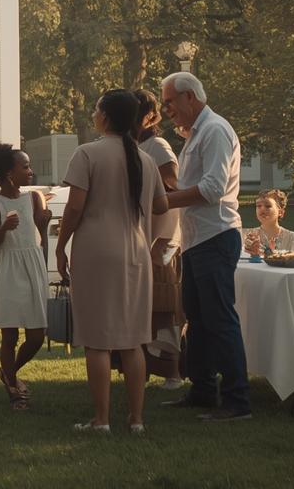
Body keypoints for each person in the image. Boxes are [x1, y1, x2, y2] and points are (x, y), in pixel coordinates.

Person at [57, 90, 168, 434]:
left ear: (105, 116)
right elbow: (162, 205)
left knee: (97, 339)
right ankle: (136, 419)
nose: (93, 114)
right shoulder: (145, 159)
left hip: (96, 251)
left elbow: (75, 206)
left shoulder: (87, 153)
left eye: (96, 109)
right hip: (136, 252)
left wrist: (60, 245)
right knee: (133, 339)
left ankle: (101, 419)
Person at [160, 71, 250, 422]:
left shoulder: (214, 130)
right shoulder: (197, 133)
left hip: (216, 236)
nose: (166, 109)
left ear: (190, 97)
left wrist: (163, 202)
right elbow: (195, 185)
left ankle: (237, 401)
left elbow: (213, 189)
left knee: (219, 319)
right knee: (197, 319)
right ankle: (202, 391)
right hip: (198, 239)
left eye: (170, 101)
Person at [0, 145, 50, 410]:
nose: (30, 172)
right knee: (10, 335)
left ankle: (9, 371)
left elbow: (40, 236)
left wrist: (44, 226)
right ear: (9, 173)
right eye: (25, 167)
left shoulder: (34, 198)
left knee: (37, 335)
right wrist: (4, 227)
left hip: (31, 266)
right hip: (7, 269)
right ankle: (13, 390)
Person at [134, 89, 185, 388]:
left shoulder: (158, 147)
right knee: (139, 307)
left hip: (160, 238)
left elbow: (175, 189)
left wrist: (164, 241)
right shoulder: (130, 147)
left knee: (163, 310)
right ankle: (139, 369)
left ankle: (173, 372)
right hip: (137, 236)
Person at [243, 190, 294, 255]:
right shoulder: (249, 235)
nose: (262, 208)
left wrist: (268, 253)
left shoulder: (290, 237)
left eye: (268, 206)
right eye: (258, 206)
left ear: (280, 212)